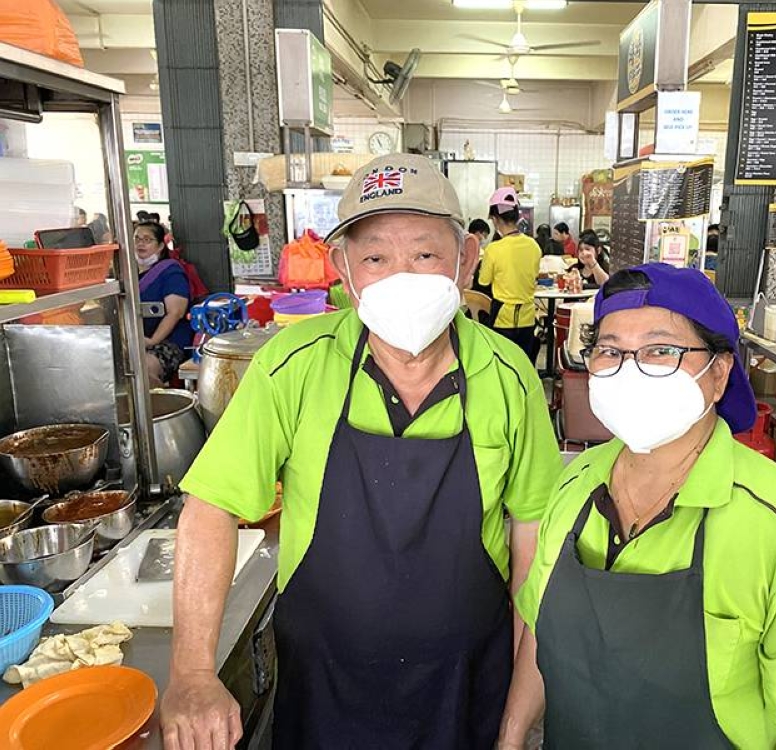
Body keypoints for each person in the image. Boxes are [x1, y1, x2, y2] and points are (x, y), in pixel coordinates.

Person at [163, 154, 562, 750]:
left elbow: (534, 543)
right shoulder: (291, 364)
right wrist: (192, 673)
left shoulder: (508, 375)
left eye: (425, 254)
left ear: (465, 260)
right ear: (343, 272)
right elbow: (210, 508)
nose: (402, 274)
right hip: (325, 689)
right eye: (375, 257)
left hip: (467, 689)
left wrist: (514, 722)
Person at [499, 263, 776, 750]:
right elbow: (538, 630)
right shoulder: (573, 483)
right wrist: (509, 739)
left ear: (718, 374)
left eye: (660, 350)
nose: (630, 369)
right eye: (610, 351)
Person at [480, 187, 543, 359]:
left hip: (502, 319)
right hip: (528, 318)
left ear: (495, 219)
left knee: (503, 365)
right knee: (525, 365)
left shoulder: (493, 249)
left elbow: (484, 282)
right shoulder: (534, 246)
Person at [134, 220, 192, 387]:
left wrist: (152, 341)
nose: (140, 244)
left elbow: (176, 312)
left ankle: (160, 409)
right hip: (138, 339)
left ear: (160, 246)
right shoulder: (129, 275)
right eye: (137, 239)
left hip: (170, 341)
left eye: (147, 239)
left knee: (144, 369)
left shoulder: (171, 272)